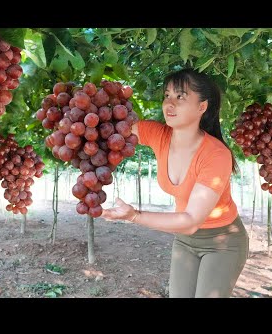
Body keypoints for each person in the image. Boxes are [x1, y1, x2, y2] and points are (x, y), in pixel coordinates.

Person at [101, 68, 249, 298]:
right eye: (167, 95)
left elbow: (190, 221)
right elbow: (109, 130)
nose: (170, 103)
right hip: (185, 241)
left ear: (202, 107)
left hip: (222, 242)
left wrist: (133, 216)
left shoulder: (216, 154)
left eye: (180, 97)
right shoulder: (158, 135)